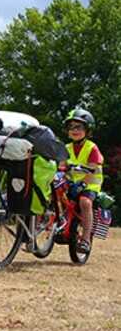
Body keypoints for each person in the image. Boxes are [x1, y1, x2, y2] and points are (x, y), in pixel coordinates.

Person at [62, 108, 104, 253]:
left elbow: (94, 170)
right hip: (71, 183)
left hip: (90, 183)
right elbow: (61, 166)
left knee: (85, 203)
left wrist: (83, 184)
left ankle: (86, 239)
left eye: (78, 127)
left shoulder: (92, 148)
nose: (74, 130)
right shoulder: (66, 148)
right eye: (71, 127)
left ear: (87, 129)